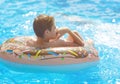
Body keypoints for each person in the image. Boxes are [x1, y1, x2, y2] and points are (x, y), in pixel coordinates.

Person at [1, 14, 84, 52]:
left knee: (75, 33)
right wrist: (68, 30)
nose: (57, 29)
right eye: (54, 28)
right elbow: (81, 45)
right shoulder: (57, 43)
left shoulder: (30, 42)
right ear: (47, 32)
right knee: (74, 33)